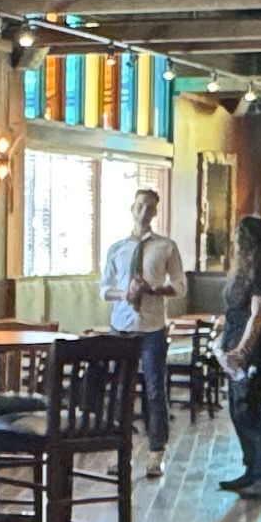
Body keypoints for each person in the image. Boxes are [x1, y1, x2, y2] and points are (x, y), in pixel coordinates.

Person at [96, 185, 186, 478]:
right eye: (140, 206)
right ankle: (119, 452)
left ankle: (156, 452)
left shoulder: (166, 247)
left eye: (150, 207)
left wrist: (153, 289)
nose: (144, 211)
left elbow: (180, 286)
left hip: (152, 327)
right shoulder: (117, 248)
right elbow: (103, 289)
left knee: (154, 390)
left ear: (156, 212)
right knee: (120, 391)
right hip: (121, 326)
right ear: (132, 209)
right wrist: (125, 293)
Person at [218, 212, 261, 502]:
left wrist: (242, 351)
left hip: (255, 349)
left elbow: (258, 316)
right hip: (236, 346)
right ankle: (251, 469)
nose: (234, 243)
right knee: (237, 409)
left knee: (250, 410)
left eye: (238, 239)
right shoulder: (243, 272)